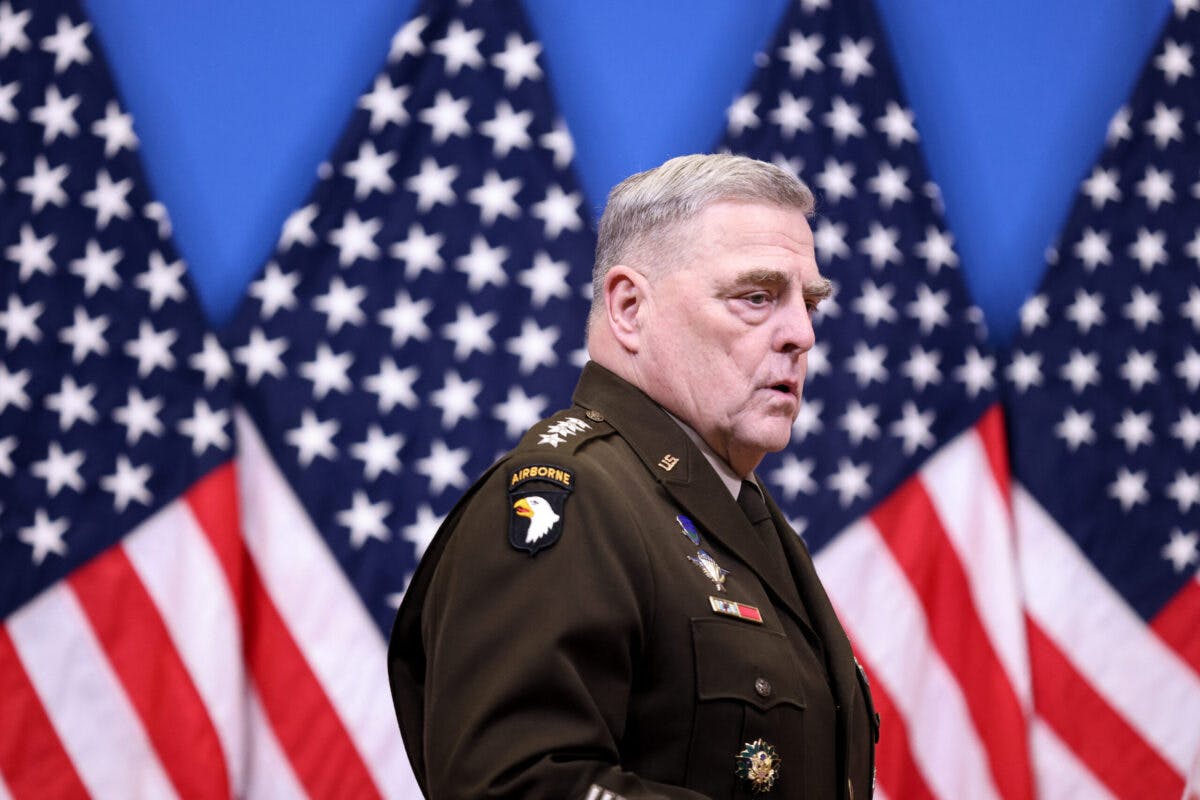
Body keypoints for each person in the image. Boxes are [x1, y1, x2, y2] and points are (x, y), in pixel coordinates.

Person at [388, 153, 879, 799]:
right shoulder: (573, 499)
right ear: (628, 307)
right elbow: (515, 787)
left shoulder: (734, 511)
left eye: (809, 302)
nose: (801, 334)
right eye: (756, 297)